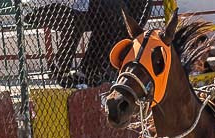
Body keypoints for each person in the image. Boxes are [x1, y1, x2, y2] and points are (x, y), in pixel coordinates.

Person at [23, 0, 151, 87]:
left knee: (107, 16)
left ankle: (89, 71)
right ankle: (62, 68)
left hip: (83, 8)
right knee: (78, 20)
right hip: (47, 7)